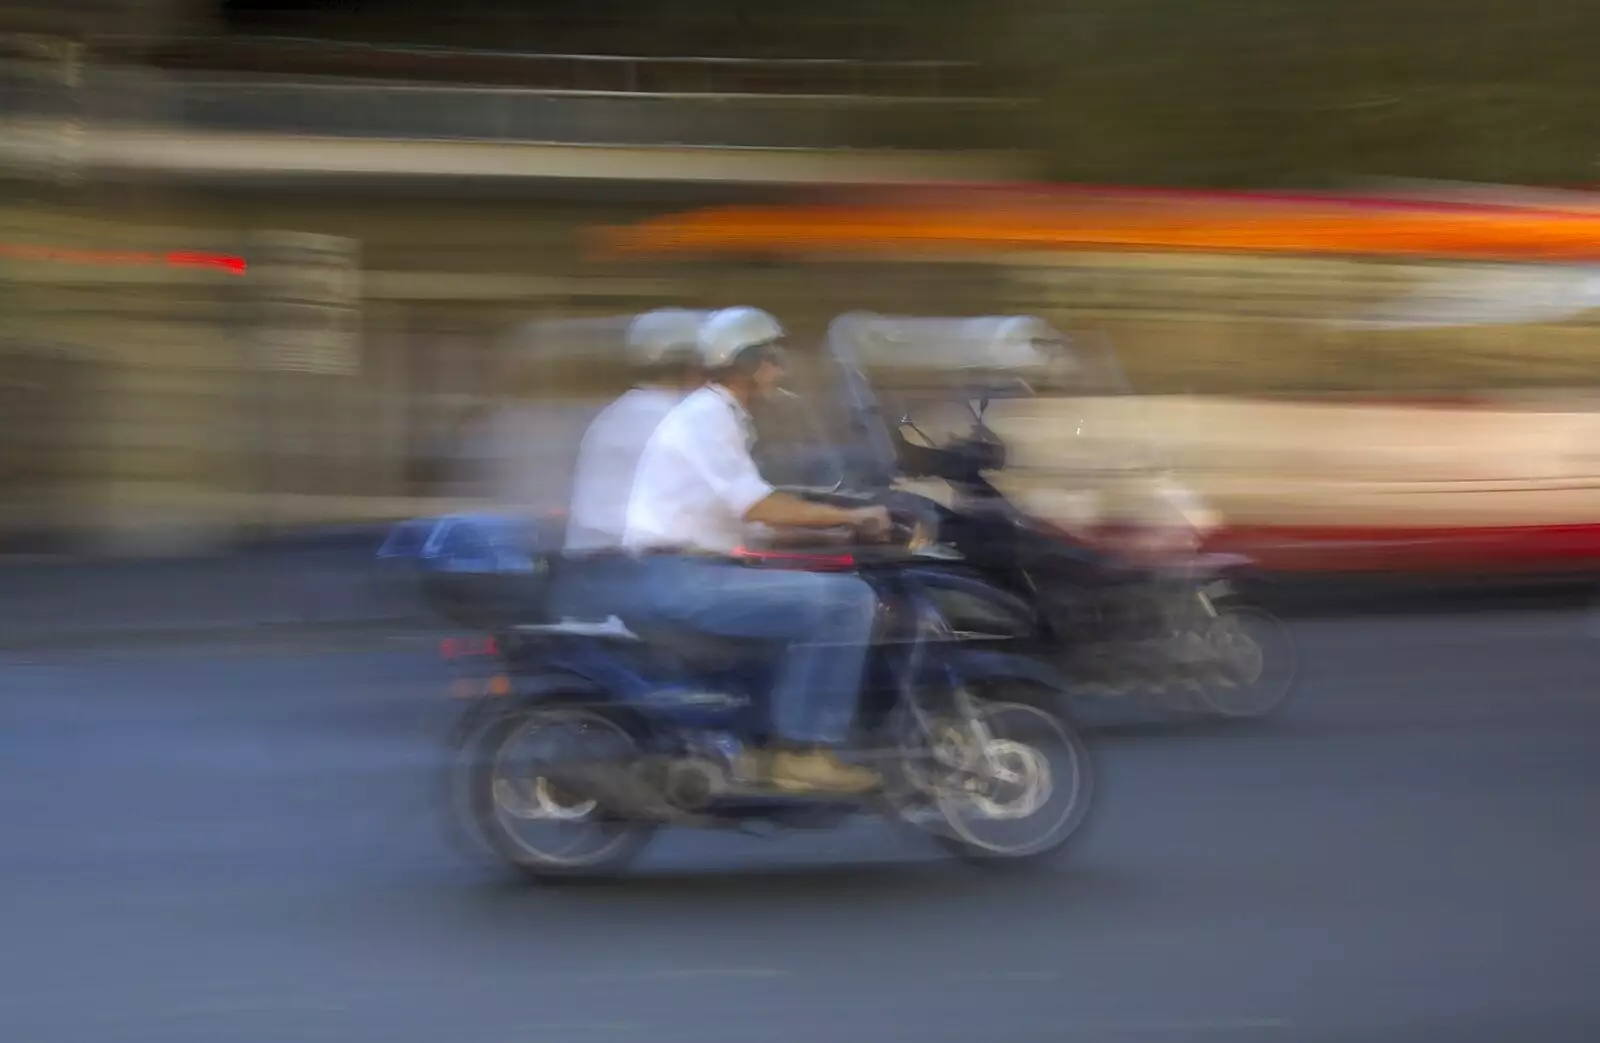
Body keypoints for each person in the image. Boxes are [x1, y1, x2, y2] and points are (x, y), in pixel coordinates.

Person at [621, 307, 891, 794]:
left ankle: (761, 742)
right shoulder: (709, 415)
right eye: (772, 359)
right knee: (848, 602)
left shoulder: (718, 417)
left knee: (816, 588)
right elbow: (759, 505)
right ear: (746, 363)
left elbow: (740, 520)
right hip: (683, 578)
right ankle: (804, 752)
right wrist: (852, 516)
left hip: (689, 570)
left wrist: (826, 536)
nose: (780, 371)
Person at [551, 309, 709, 621]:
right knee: (824, 601)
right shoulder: (672, 421)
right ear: (691, 364)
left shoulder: (628, 411)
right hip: (638, 579)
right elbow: (714, 514)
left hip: (605, 576)